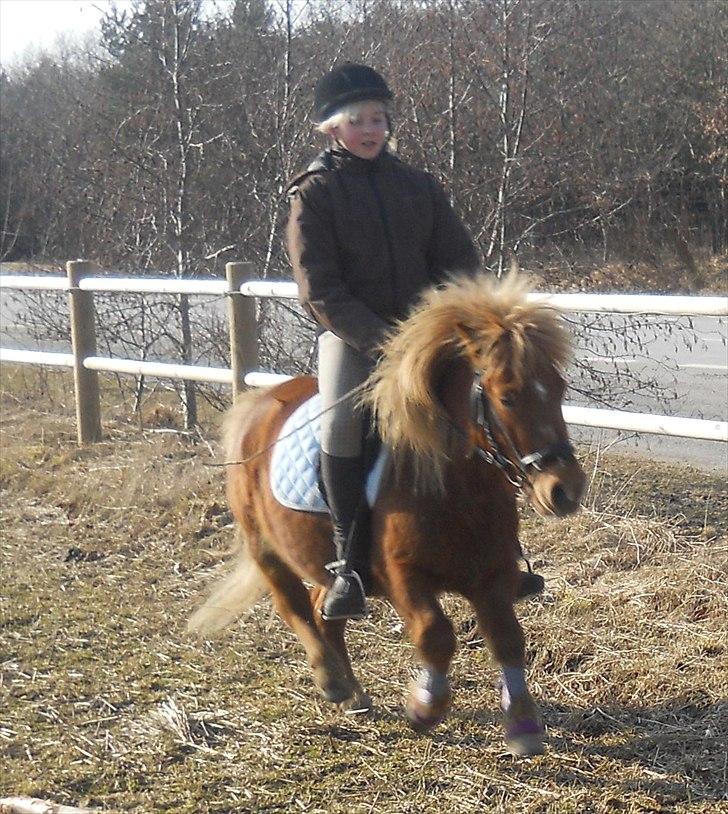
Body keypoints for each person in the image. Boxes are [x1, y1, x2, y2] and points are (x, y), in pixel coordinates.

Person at [286, 63, 534, 621]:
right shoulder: (315, 194)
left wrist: (471, 319)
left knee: (485, 409)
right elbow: (319, 288)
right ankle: (348, 564)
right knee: (341, 424)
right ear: (331, 129)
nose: (371, 130)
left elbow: (459, 263)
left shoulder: (417, 186)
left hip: (433, 337)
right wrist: (383, 340)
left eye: (378, 118)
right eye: (358, 121)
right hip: (355, 339)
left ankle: (504, 552)